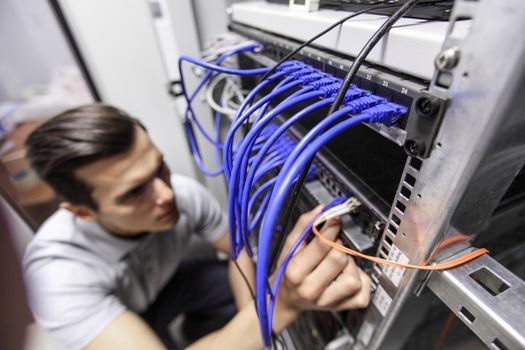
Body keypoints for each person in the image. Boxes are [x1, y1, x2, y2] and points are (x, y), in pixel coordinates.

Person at [22, 104, 371, 350]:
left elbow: (236, 254)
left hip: (168, 285)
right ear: (83, 212)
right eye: (134, 193)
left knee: (229, 285)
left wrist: (257, 313)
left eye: (159, 167)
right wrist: (281, 306)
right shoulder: (56, 277)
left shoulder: (181, 194)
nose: (166, 194)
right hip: (113, 313)